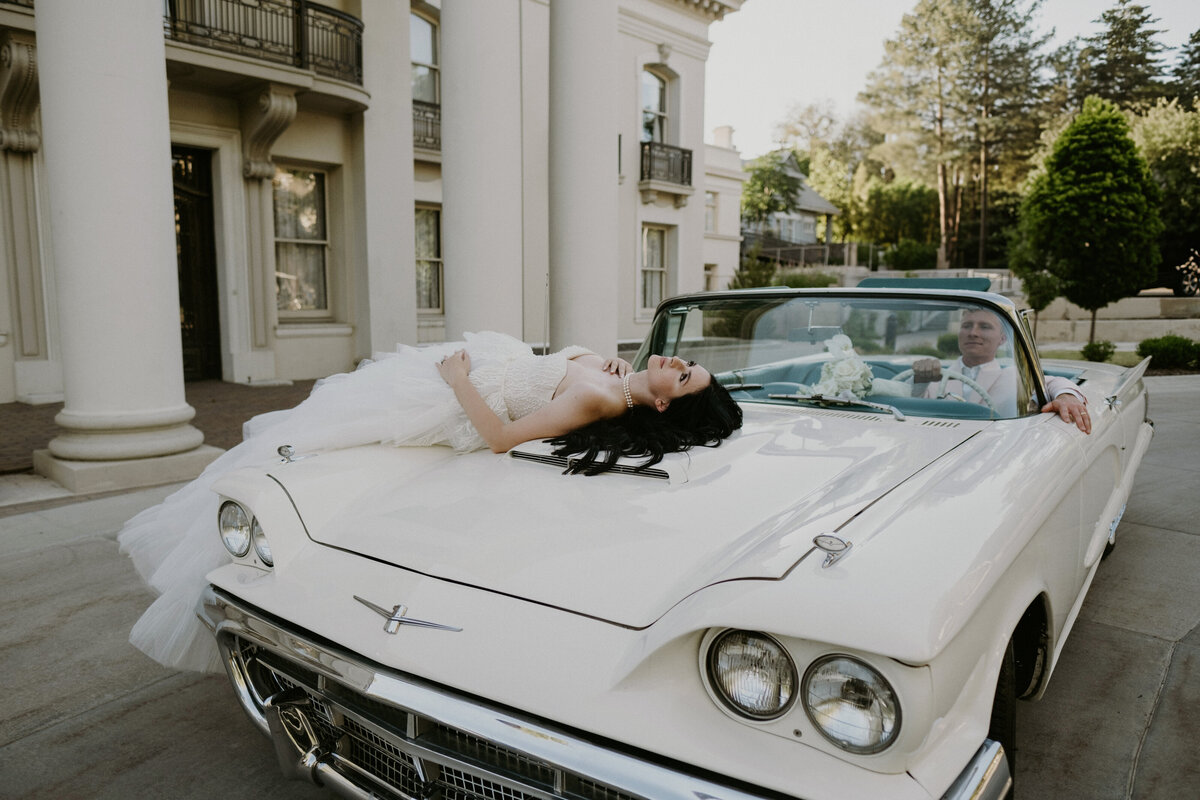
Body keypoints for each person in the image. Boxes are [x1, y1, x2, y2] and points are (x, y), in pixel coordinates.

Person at [118, 332, 742, 672]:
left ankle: (219, 545)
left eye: (683, 376)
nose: (676, 361)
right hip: (451, 372)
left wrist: (457, 380)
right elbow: (561, 364)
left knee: (316, 446)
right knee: (308, 435)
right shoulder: (609, 375)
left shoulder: (601, 401)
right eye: (686, 361)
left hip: (447, 393)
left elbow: (500, 439)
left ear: (665, 403)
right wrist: (590, 357)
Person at [912, 308, 1092, 433]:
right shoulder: (935, 377)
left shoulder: (1015, 377)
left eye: (984, 326)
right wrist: (919, 380)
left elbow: (1054, 383)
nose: (973, 333)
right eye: (967, 326)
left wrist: (1066, 396)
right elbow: (911, 408)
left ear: (1003, 338)